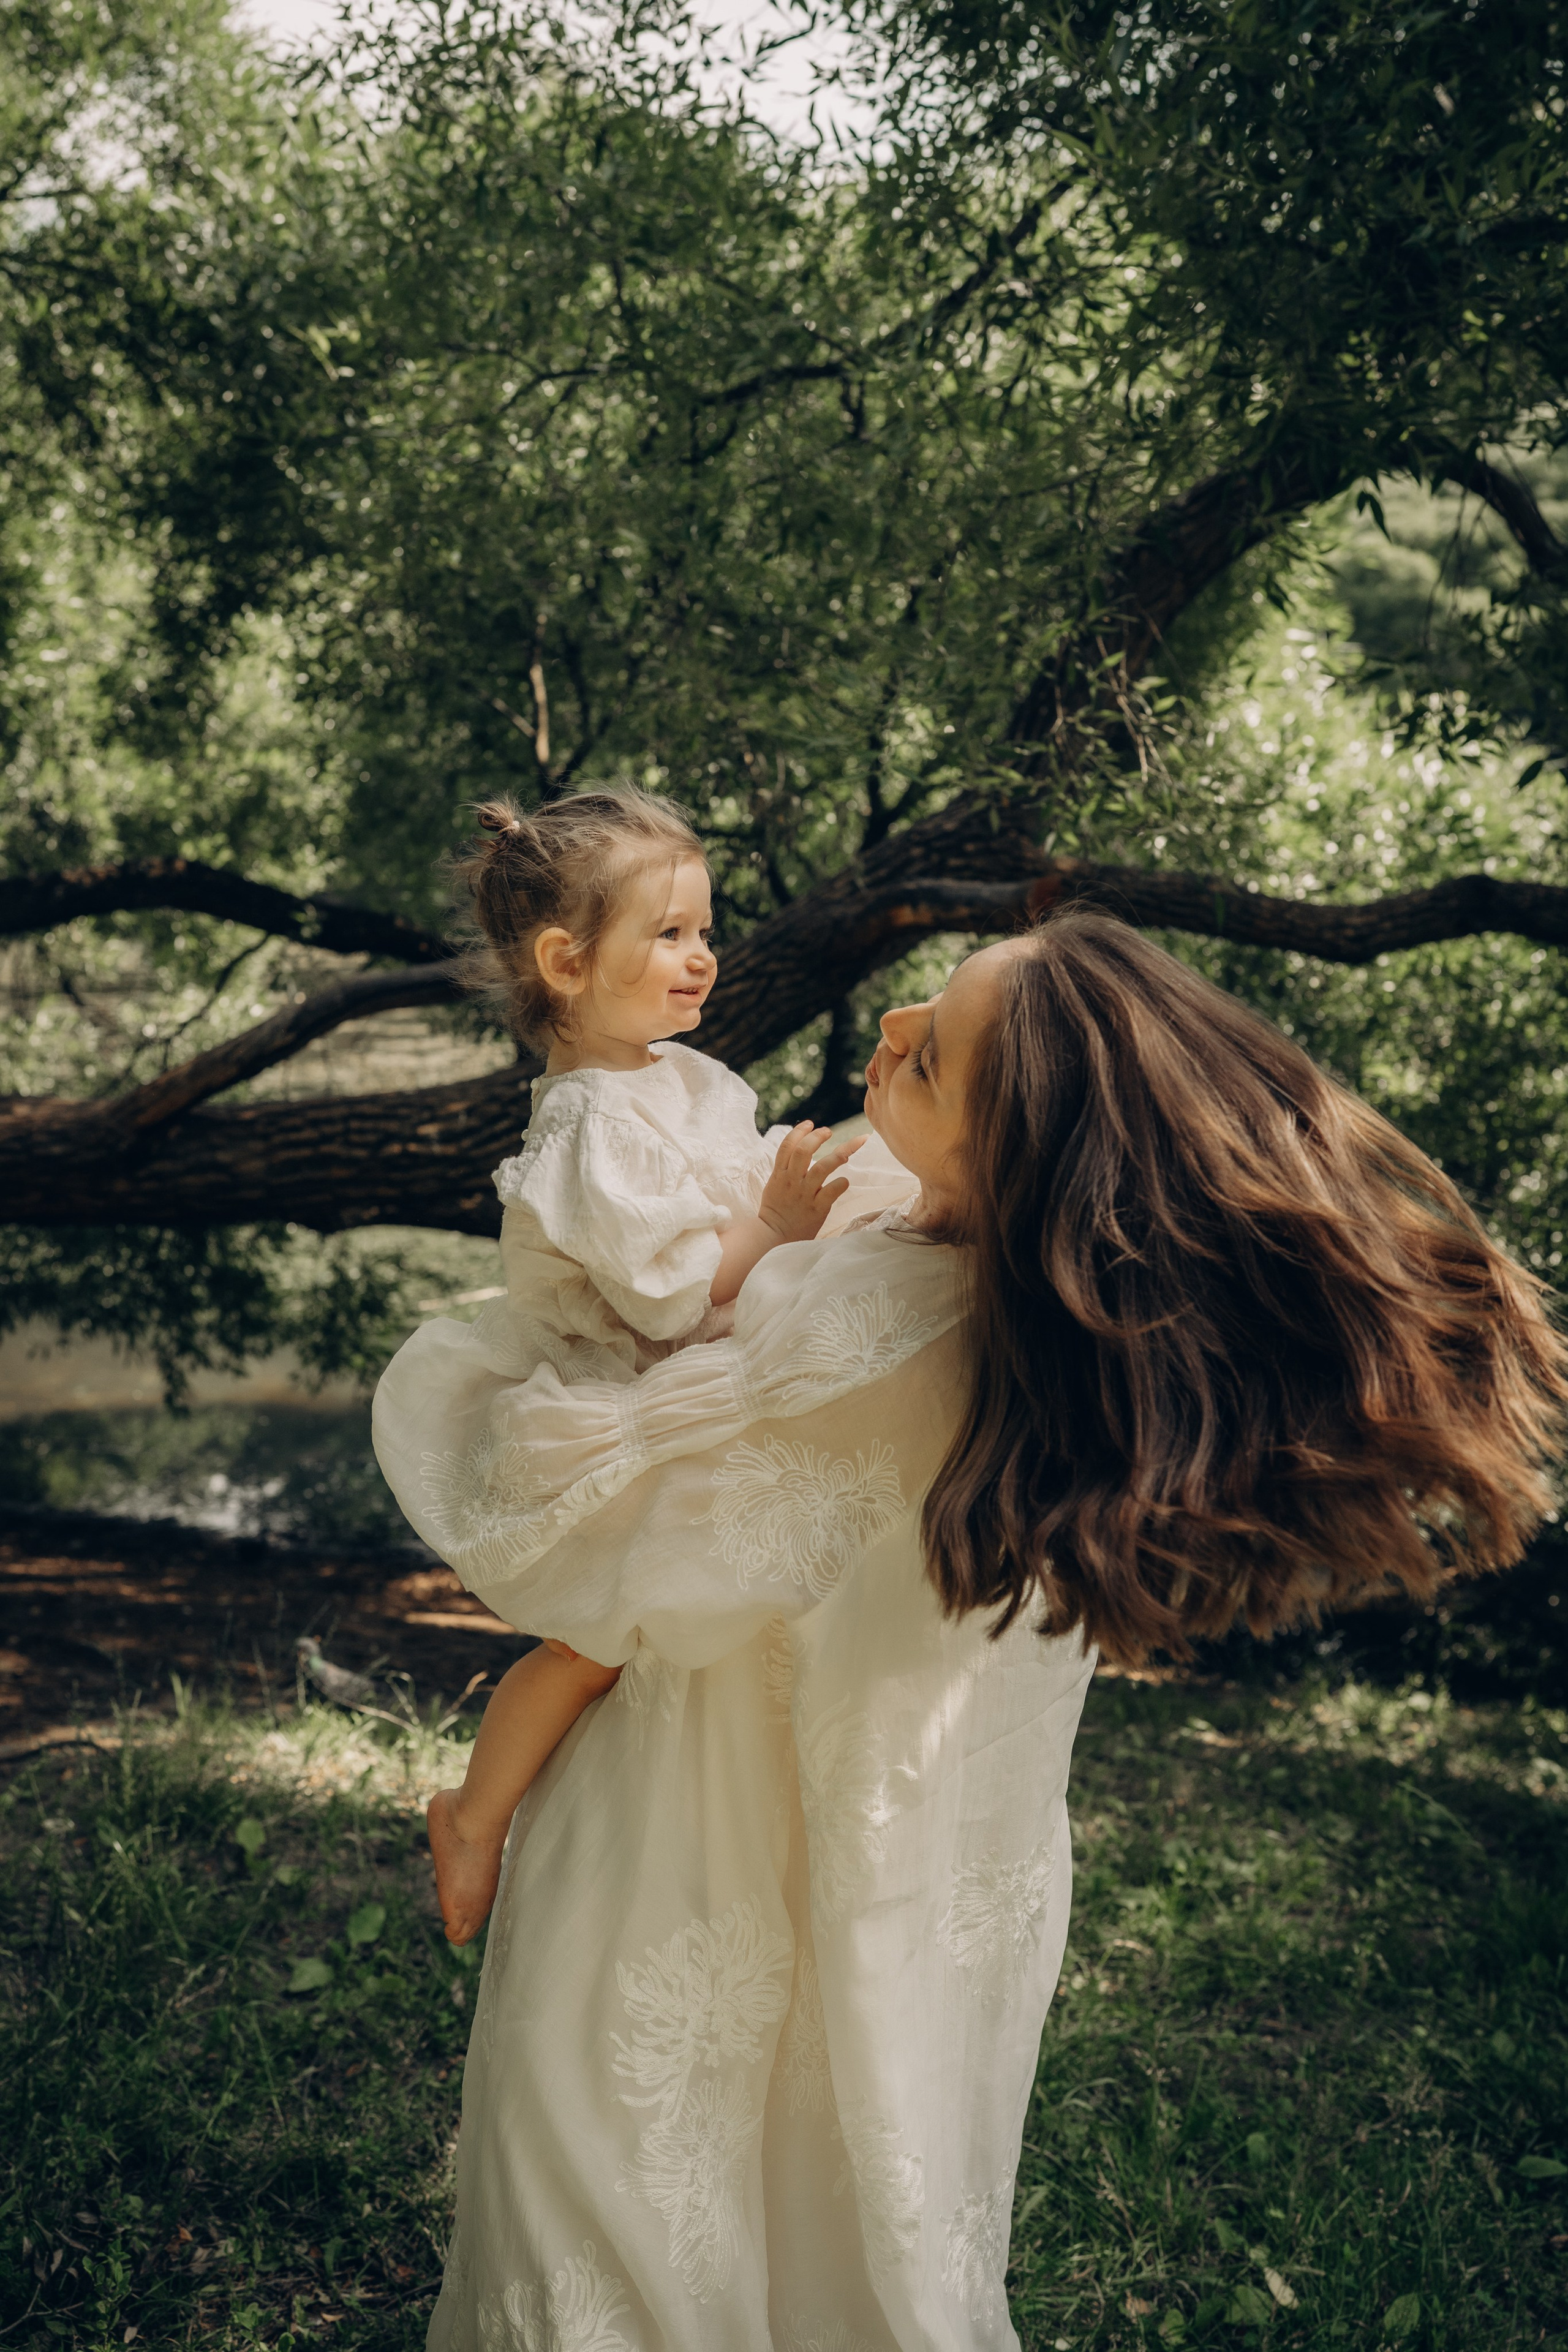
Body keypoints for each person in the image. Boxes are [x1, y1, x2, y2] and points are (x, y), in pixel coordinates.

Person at [372, 912, 1565, 2350]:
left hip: (714, 1827)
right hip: (910, 1841)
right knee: (821, 2189)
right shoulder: (1019, 1291)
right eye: (921, 1005)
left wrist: (512, 1394)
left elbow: (612, 1532)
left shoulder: (883, 1324)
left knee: (614, 2169)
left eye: (926, 1057)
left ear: (1013, 1160)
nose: (883, 1033)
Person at [417, 789, 907, 1943]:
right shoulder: (590, 1122)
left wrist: (801, 1193)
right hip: (623, 1398)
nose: (702, 959)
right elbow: (674, 1287)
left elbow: (730, 1195)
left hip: (700, 1369)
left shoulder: (682, 1079)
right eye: (670, 935)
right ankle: (474, 1814)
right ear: (568, 962)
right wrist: (781, 1226)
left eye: (704, 931)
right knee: (591, 1644)